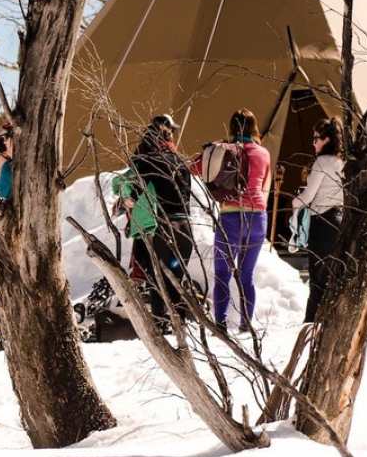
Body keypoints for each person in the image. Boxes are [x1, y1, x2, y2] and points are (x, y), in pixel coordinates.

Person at [114, 114, 194, 319]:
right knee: (176, 281)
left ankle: (160, 324)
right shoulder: (180, 163)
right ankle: (181, 331)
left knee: (157, 281)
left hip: (163, 230)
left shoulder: (145, 161)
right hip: (185, 229)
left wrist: (127, 198)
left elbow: (124, 184)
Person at [204, 110, 272, 328]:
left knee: (222, 273)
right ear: (254, 128)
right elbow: (265, 187)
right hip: (257, 218)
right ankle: (246, 324)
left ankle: (221, 323)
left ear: (231, 128)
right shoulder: (263, 153)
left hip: (230, 216)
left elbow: (203, 173)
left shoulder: (225, 150)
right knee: (247, 274)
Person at [291, 118, 345, 325]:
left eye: (317, 139)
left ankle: (309, 325)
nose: (313, 143)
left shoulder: (322, 162)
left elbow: (308, 196)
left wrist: (295, 201)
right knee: (331, 277)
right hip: (337, 221)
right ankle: (327, 322)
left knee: (317, 280)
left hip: (322, 223)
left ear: (328, 139)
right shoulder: (341, 162)